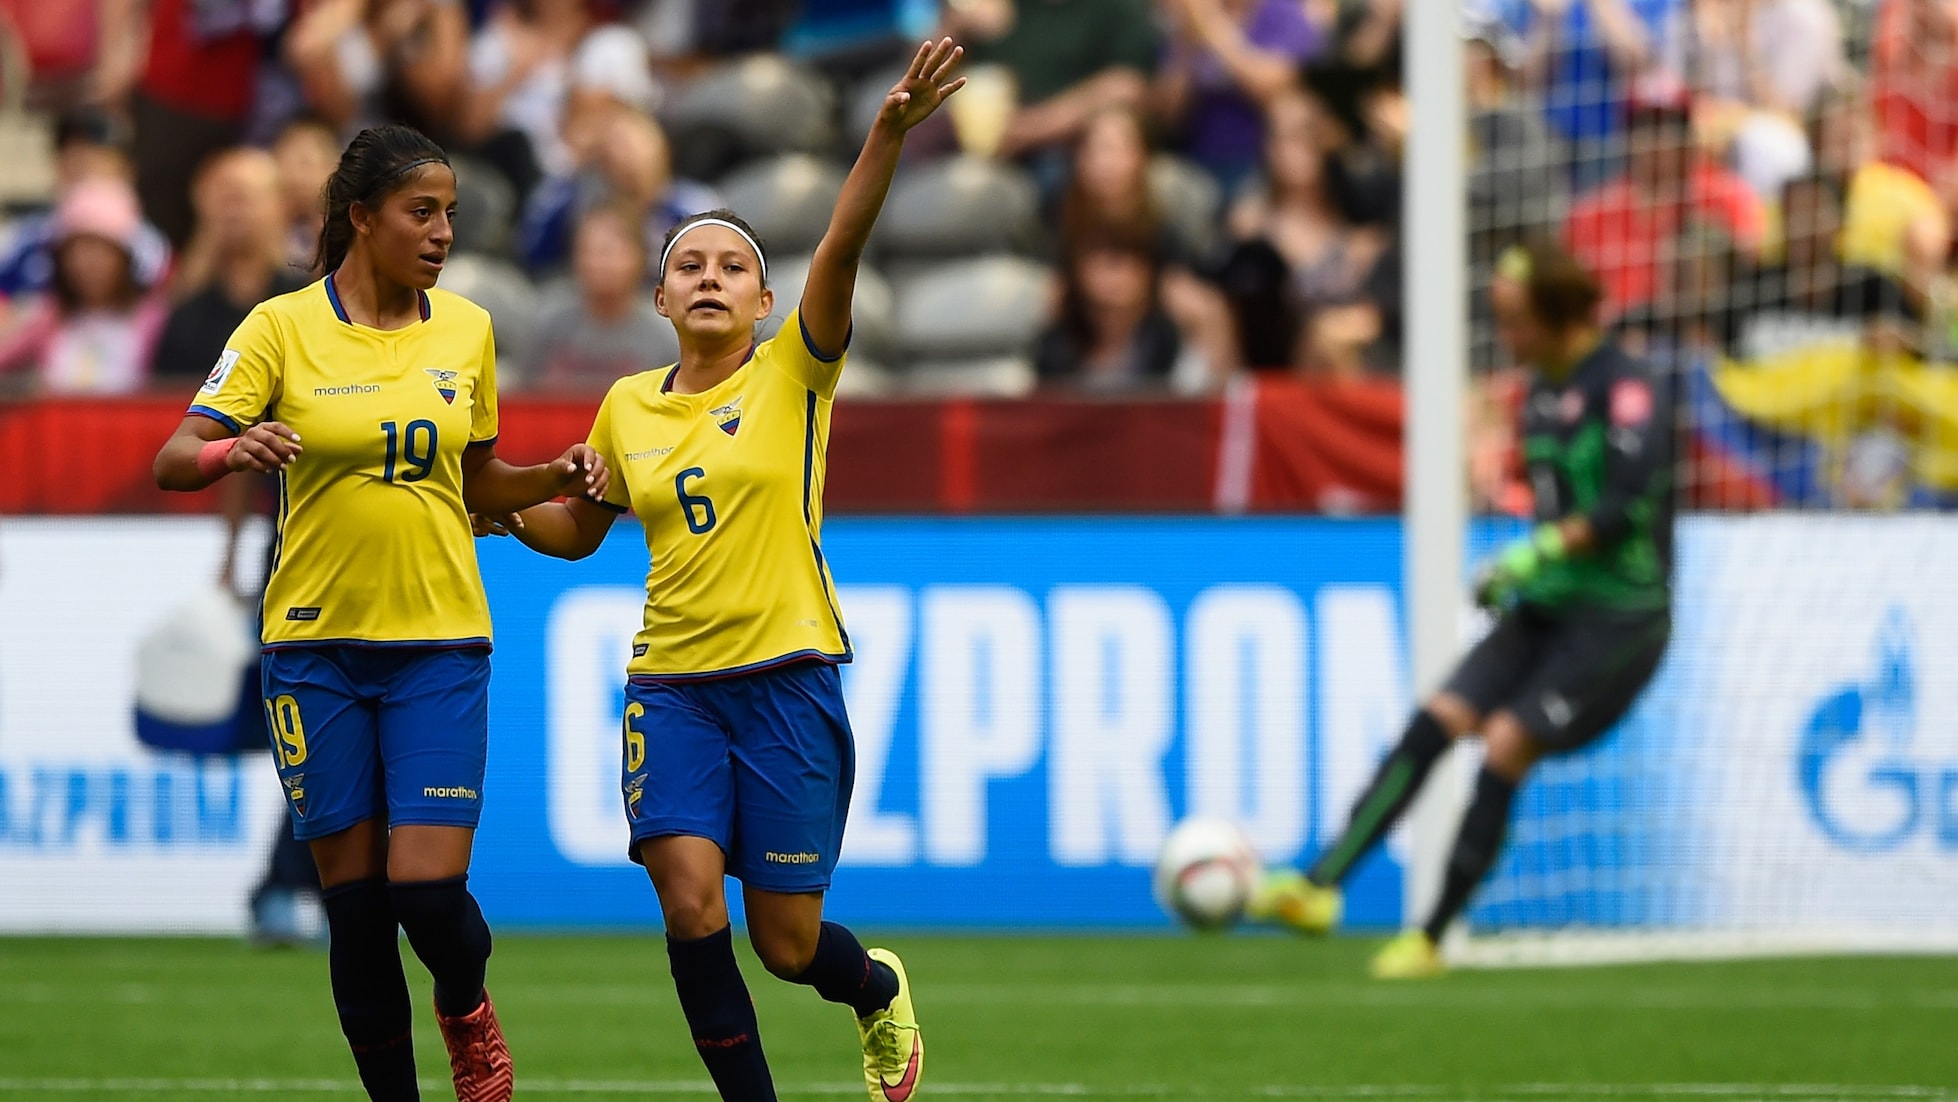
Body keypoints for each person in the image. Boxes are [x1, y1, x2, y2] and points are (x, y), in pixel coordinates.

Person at [478, 37, 966, 1102]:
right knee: (690, 902)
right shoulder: (625, 405)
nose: (708, 277)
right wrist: (505, 514)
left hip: (788, 678)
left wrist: (883, 134)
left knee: (787, 945)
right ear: (660, 302)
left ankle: (874, 984)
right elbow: (582, 529)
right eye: (687, 265)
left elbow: (838, 246)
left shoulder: (795, 370)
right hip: (673, 687)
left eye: (730, 266)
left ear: (761, 302)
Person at [151, 124, 609, 1102]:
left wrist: (552, 473)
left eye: (448, 212)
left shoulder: (468, 330)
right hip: (313, 648)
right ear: (361, 219)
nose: (443, 231)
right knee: (355, 912)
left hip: (439, 642)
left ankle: (466, 1005)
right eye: (421, 212)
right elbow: (173, 455)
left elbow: (477, 476)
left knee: (428, 893)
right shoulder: (279, 328)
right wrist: (232, 451)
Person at [1251, 239, 1674, 979]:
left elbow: (1618, 507)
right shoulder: (1541, 394)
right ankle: (1319, 887)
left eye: (1516, 321)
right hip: (1548, 603)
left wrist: (1531, 554)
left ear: (1560, 316)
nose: (1507, 336)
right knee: (1439, 715)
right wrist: (1525, 570)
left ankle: (1431, 938)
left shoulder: (1628, 387)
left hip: (1619, 617)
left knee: (1506, 741)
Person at [0, 176, 169, 395]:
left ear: (124, 256)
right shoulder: (49, 316)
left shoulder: (155, 319)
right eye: (76, 251)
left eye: (100, 251)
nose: (86, 264)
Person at [527, 204, 679, 390]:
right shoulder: (547, 320)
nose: (599, 263)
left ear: (641, 257)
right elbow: (523, 390)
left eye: (611, 252)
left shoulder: (666, 335)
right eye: (590, 251)